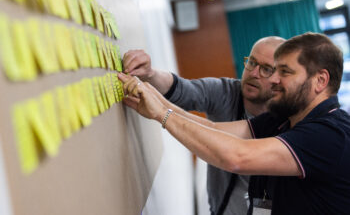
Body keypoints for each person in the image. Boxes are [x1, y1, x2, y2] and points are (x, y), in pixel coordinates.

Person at [119, 32, 350, 214]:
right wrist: (154, 99)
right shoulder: (284, 118)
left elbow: (237, 157)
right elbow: (214, 129)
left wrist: (161, 113)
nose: (275, 80)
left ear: (320, 80)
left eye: (284, 72)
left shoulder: (330, 134)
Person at [123, 36, 285, 215]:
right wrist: (150, 74)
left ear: (281, 79)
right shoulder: (226, 92)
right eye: (252, 62)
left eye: (266, 69)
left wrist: (162, 112)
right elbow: (183, 90)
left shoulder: (287, 123)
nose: (254, 73)